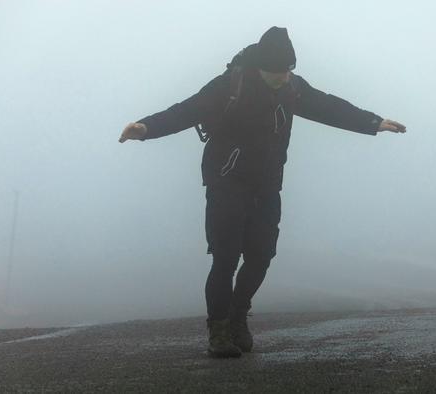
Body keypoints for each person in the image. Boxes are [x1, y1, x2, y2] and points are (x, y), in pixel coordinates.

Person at [119, 26, 406, 358]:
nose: (284, 79)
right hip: (226, 181)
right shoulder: (231, 85)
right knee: (225, 258)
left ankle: (239, 315)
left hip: (267, 184)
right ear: (260, 68)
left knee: (261, 256)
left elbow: (328, 107)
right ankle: (220, 330)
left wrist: (374, 122)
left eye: (288, 72)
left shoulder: (290, 87)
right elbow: (186, 110)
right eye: (277, 73)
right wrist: (145, 128)